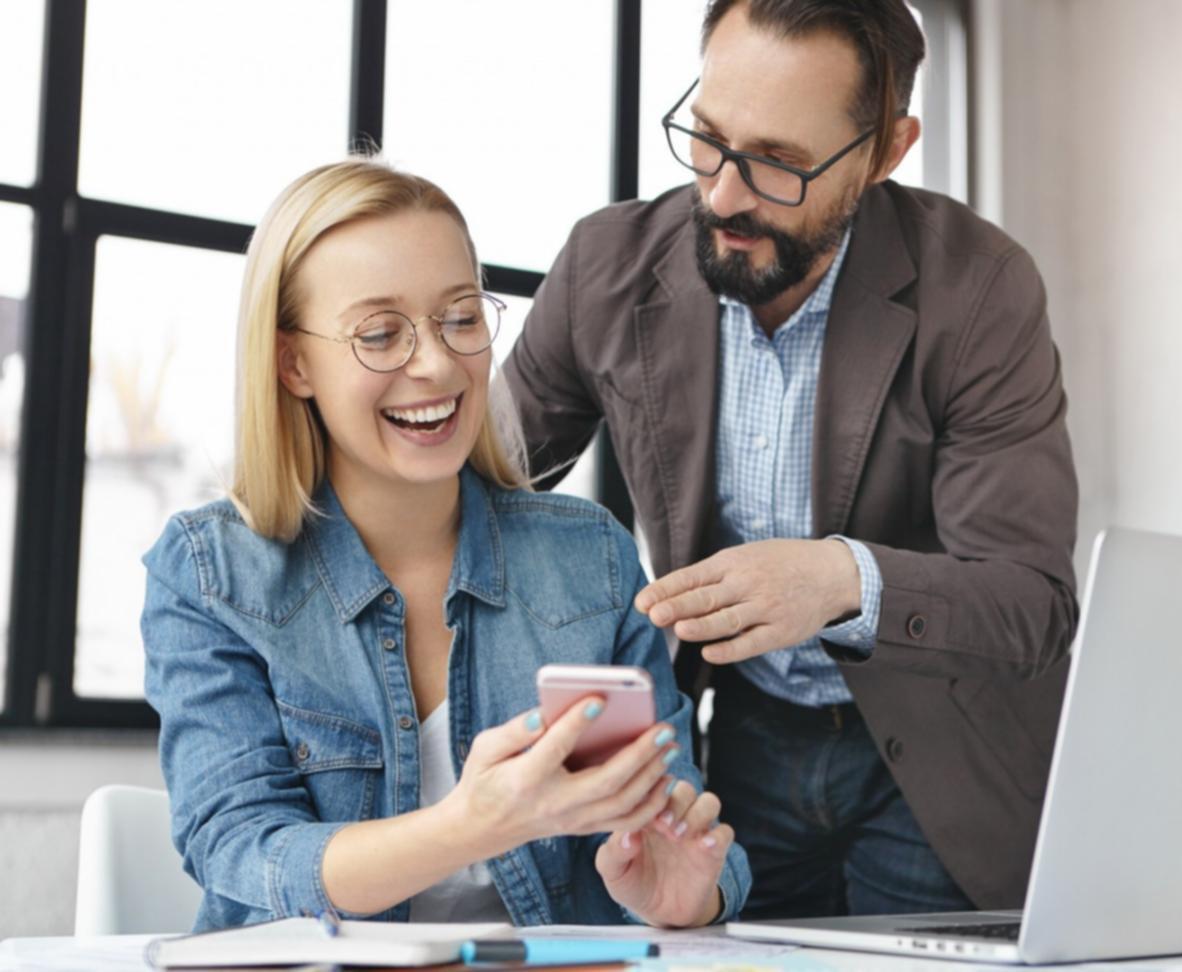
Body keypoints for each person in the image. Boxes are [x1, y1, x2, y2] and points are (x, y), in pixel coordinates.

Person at [503, 0, 1078, 919]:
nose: (724, 195)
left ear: (886, 152)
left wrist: (839, 581)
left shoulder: (980, 287)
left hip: (941, 754)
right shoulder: (605, 267)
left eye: (778, 162)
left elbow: (1031, 604)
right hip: (741, 738)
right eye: (708, 138)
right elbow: (479, 487)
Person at [141, 159, 749, 930]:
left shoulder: (589, 560)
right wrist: (471, 825)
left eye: (460, 319)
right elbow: (242, 847)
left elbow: (676, 815)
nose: (435, 365)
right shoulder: (210, 573)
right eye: (380, 334)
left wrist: (688, 896)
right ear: (293, 363)